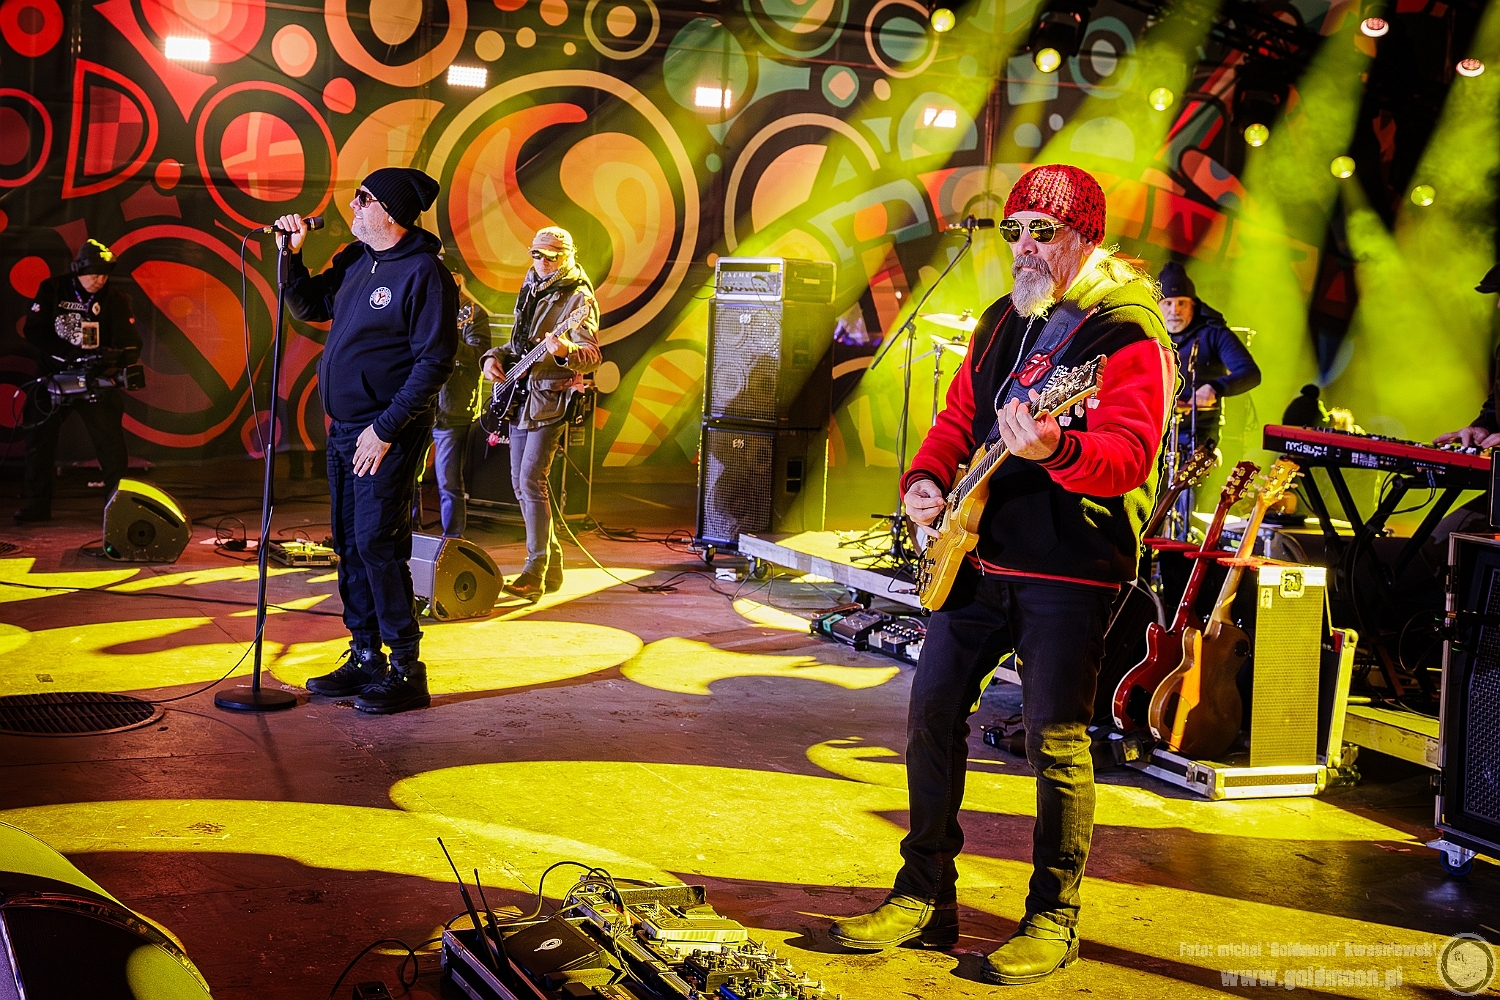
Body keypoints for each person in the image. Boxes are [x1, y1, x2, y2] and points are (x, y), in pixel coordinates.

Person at [828, 165, 1175, 985]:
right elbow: (959, 418)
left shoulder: (1126, 333)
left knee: (1055, 743)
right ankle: (924, 896)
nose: (1022, 246)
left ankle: (1054, 917)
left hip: (1069, 567)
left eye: (1041, 233)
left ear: (1085, 237)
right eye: (1013, 230)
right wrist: (924, 481)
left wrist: (1058, 448)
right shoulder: (1002, 320)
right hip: (976, 555)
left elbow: (1129, 458)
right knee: (930, 715)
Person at [275, 167, 457, 715]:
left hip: (386, 433)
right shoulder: (357, 260)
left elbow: (433, 363)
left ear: (391, 213)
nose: (352, 205)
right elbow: (310, 306)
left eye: (364, 197)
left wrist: (384, 430)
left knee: (378, 544)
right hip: (345, 430)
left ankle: (406, 669)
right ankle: (365, 657)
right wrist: (291, 257)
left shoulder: (424, 273)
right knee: (350, 545)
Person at [480, 227, 601, 601]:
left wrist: (565, 351)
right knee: (520, 484)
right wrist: (492, 358)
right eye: (537, 254)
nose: (543, 262)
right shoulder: (531, 285)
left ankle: (534, 570)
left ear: (568, 256)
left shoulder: (579, 297)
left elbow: (592, 355)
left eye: (552, 256)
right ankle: (553, 565)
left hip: (549, 402)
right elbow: (518, 345)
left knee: (532, 481)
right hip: (520, 398)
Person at [16, 239, 141, 522]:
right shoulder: (53, 289)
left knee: (111, 445)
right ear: (78, 270)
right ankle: (36, 505)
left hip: (94, 380)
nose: (100, 280)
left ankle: (117, 509)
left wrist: (111, 359)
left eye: (105, 275)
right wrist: (68, 353)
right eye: (94, 274)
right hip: (54, 377)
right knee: (38, 440)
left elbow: (131, 342)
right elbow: (34, 330)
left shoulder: (115, 298)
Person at [413, 270, 490, 537]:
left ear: (457, 279)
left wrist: (448, 338)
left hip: (453, 407)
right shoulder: (423, 305)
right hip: (420, 403)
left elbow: (479, 356)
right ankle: (408, 534)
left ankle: (453, 541)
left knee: (449, 481)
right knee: (409, 474)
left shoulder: (474, 314)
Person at [1157, 260, 1260, 451]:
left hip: (1197, 436)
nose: (1174, 311)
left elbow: (1250, 373)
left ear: (1194, 305)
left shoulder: (1214, 333)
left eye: (1182, 303)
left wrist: (1215, 387)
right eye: (1168, 303)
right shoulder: (1150, 336)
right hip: (1156, 431)